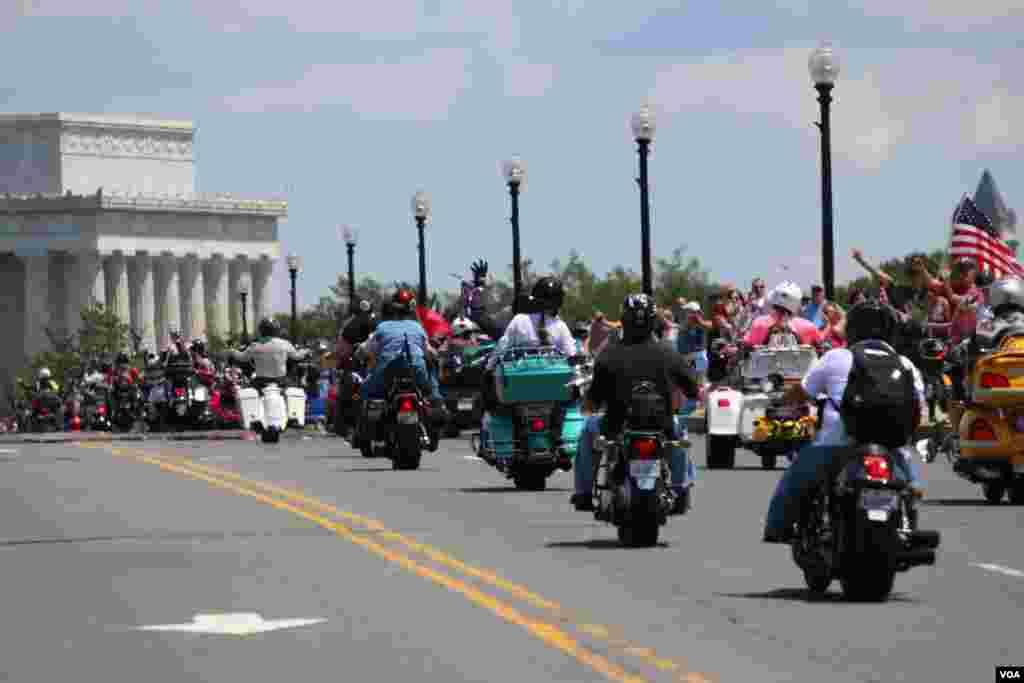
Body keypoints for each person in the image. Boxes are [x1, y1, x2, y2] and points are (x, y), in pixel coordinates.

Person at [763, 300, 925, 543]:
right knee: (911, 487)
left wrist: (780, 401)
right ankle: (906, 524)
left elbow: (803, 392)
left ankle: (778, 527)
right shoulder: (905, 364)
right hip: (893, 448)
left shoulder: (837, 356)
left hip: (839, 444)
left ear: (853, 329)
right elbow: (918, 409)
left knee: (795, 476)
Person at [572, 293, 699, 514]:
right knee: (679, 435)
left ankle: (583, 493)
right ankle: (679, 489)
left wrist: (589, 405)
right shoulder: (668, 351)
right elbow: (692, 388)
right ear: (653, 321)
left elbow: (595, 398)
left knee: (588, 430)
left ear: (624, 320)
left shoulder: (609, 353)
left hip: (616, 425)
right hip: (663, 425)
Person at [361, 288, 445, 405]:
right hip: (417, 373)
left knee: (364, 391)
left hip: (386, 374)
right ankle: (436, 395)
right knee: (432, 373)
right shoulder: (417, 327)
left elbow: (366, 350)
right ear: (410, 309)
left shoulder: (382, 327)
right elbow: (429, 353)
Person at [230, 318, 309, 391]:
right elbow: (297, 356)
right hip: (281, 382)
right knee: (294, 398)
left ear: (261, 330)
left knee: (248, 399)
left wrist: (232, 351)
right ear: (277, 330)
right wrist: (305, 351)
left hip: (260, 382)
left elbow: (242, 357)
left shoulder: (255, 345)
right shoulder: (285, 343)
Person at [744, 282, 821, 347]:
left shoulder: (759, 323)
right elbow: (819, 346)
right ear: (797, 303)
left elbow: (747, 344)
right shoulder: (808, 326)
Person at [677, 301, 711, 389]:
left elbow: (709, 326)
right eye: (686, 311)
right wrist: (689, 323)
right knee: (686, 379)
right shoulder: (685, 322)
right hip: (686, 354)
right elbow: (682, 329)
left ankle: (701, 392)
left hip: (699, 353)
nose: (686, 313)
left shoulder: (702, 321)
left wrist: (699, 321)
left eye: (688, 311)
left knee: (701, 380)